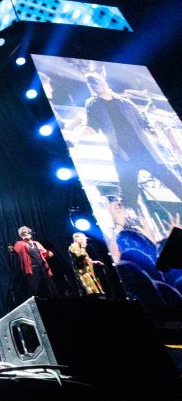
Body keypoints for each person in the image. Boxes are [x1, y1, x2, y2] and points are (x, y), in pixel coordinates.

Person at [81, 72, 182, 212]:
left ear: (103, 81)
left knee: (175, 184)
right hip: (123, 156)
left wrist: (157, 136)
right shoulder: (93, 104)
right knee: (129, 197)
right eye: (91, 84)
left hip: (147, 152)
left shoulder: (125, 102)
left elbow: (143, 122)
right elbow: (91, 125)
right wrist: (81, 133)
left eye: (96, 82)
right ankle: (131, 226)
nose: (94, 86)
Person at [11, 226, 58, 299]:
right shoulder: (20, 243)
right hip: (32, 269)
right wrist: (12, 249)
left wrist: (49, 253)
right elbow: (16, 250)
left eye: (26, 231)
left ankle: (56, 300)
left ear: (30, 232)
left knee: (50, 286)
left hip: (43, 267)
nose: (25, 232)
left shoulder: (36, 243)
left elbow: (44, 253)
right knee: (36, 288)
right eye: (23, 232)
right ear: (21, 235)